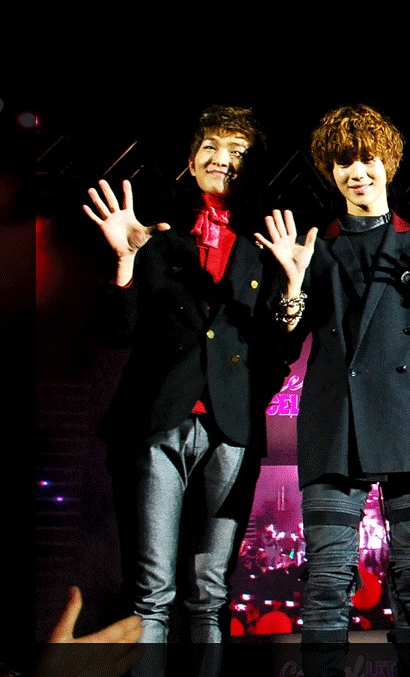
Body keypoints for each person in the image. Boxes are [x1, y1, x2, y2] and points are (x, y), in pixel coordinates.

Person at [83, 106, 287, 677]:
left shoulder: (267, 243)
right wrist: (124, 262)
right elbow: (115, 331)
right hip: (158, 421)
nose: (223, 160)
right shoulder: (152, 231)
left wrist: (291, 291)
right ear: (191, 159)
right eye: (212, 147)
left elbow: (279, 348)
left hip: (231, 428)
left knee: (210, 592)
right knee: (153, 592)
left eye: (237, 151)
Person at [255, 104, 410, 677]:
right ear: (330, 171)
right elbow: (282, 344)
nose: (356, 172)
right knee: (327, 579)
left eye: (367, 159)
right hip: (334, 424)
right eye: (343, 163)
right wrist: (293, 285)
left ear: (388, 163)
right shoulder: (314, 246)